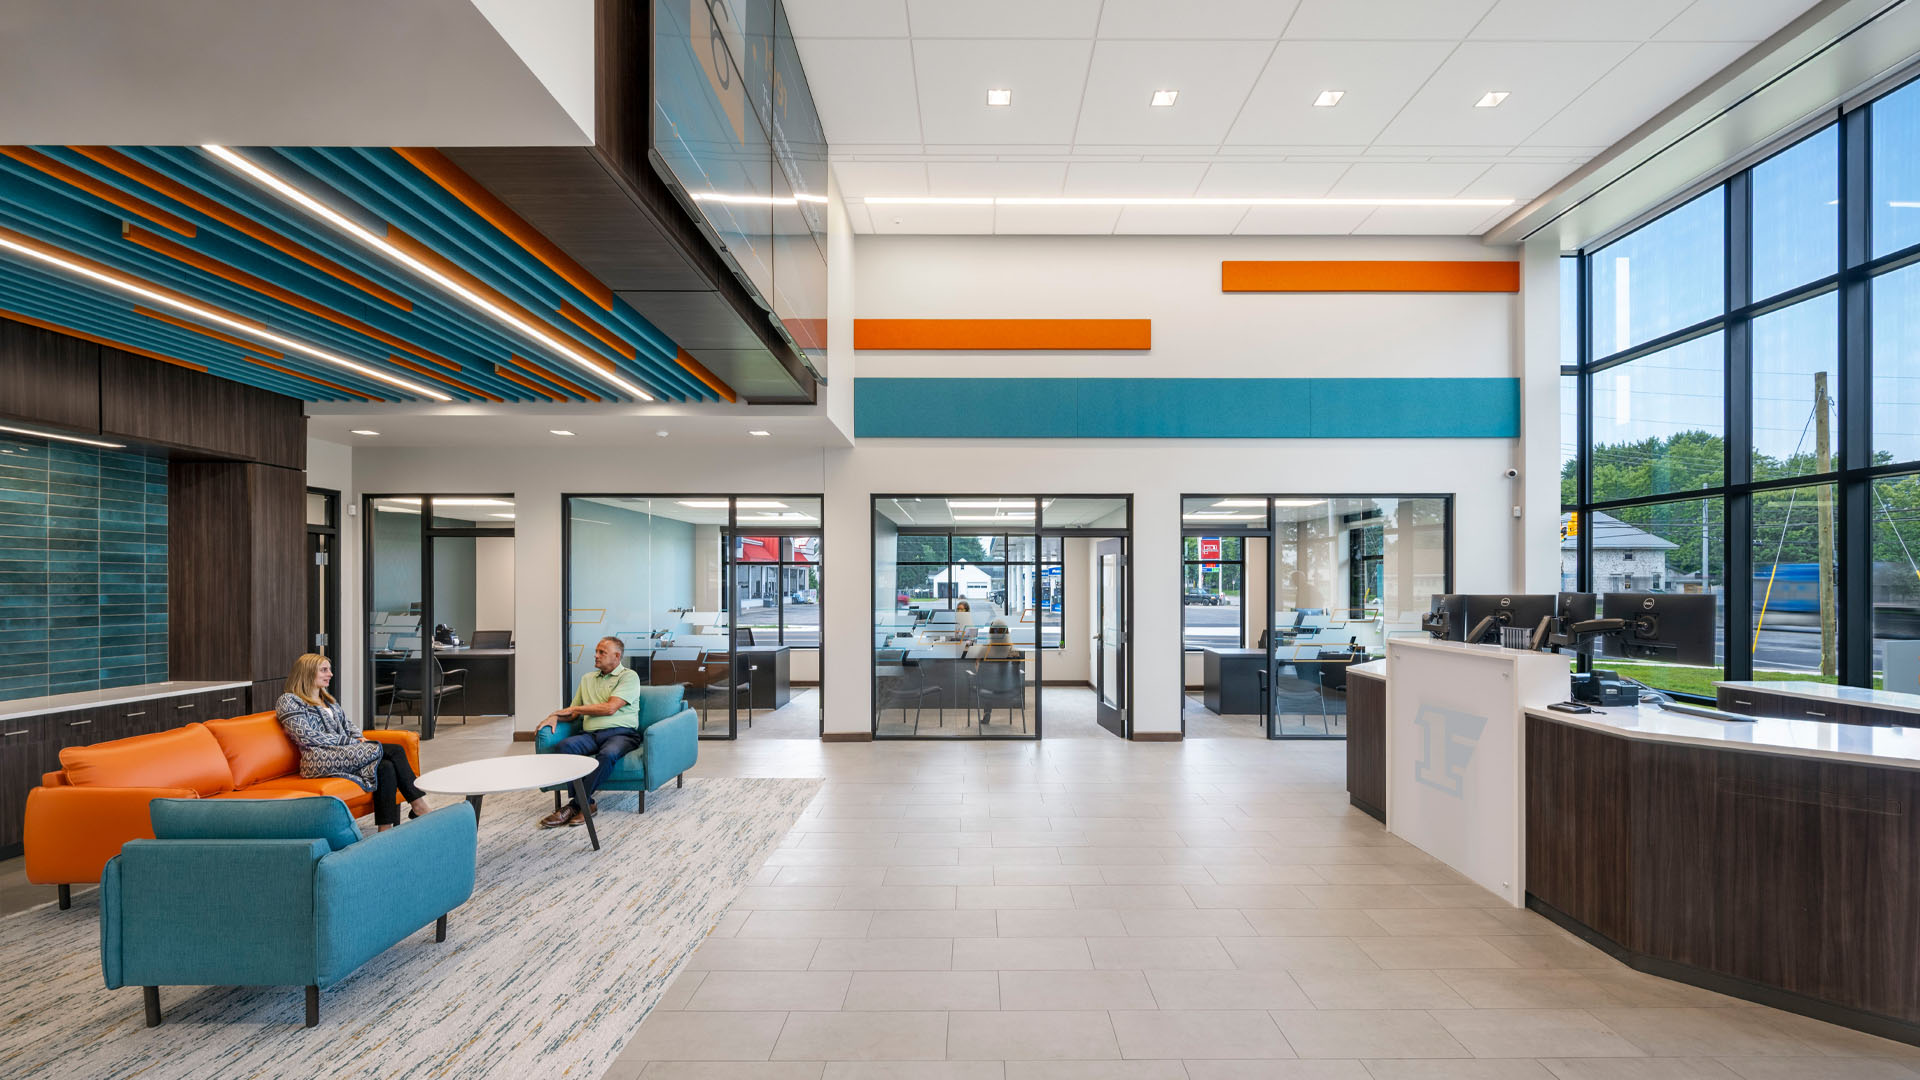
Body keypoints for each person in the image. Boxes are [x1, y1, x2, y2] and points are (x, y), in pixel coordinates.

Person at [277, 652, 429, 832]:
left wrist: (359, 737)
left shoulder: (328, 701)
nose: (330, 674)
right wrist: (350, 742)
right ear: (307, 672)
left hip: (343, 753)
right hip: (317, 759)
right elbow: (307, 736)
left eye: (330, 670)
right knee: (394, 750)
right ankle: (419, 805)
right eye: (324, 670)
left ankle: (385, 829)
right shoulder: (289, 701)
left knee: (385, 766)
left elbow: (348, 725)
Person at [536, 636, 643, 828]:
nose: (596, 656)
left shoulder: (629, 676)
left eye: (602, 652)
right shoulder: (587, 679)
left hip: (622, 733)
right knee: (564, 747)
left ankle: (575, 805)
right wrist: (555, 716)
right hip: (592, 734)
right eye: (596, 651)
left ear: (617, 656)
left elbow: (610, 708)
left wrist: (576, 710)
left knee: (608, 754)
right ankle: (588, 805)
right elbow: (573, 713)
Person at [966, 620, 1022, 725]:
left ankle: (987, 712)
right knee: (995, 680)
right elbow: (1015, 671)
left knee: (989, 682)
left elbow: (978, 669)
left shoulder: (984, 650)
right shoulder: (1013, 650)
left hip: (988, 689)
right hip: (1009, 689)